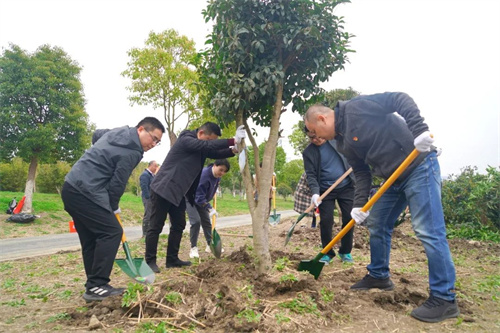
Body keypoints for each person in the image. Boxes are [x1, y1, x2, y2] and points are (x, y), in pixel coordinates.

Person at [304, 92, 458, 323]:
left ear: (322, 119)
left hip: (418, 166)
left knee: (428, 231)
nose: (315, 137)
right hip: (390, 179)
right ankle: (378, 275)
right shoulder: (342, 143)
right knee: (377, 223)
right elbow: (361, 172)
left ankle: (444, 298)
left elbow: (399, 99)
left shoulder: (356, 108)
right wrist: (358, 205)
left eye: (314, 132)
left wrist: (419, 130)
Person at [61, 117, 165, 302]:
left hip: (70, 187)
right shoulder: (133, 151)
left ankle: (93, 286)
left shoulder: (119, 132)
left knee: (91, 238)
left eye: (158, 142)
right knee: (112, 232)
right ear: (141, 129)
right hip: (86, 191)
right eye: (154, 138)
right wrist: (112, 207)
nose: (154, 144)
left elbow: (96, 135)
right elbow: (118, 184)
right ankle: (97, 285)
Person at [145, 123, 245, 273]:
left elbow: (215, 153)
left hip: (179, 192)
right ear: (201, 133)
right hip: (163, 188)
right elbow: (208, 146)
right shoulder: (186, 139)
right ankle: (150, 262)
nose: (210, 144)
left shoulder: (201, 148)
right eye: (209, 140)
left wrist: (234, 150)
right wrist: (232, 140)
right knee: (155, 226)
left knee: (179, 225)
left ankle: (172, 259)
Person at [302, 127, 355, 264]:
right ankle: (327, 252)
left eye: (317, 136)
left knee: (349, 218)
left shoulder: (336, 141)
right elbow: (311, 175)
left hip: (346, 186)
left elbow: (351, 151)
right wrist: (315, 192)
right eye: (311, 138)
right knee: (326, 220)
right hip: (325, 190)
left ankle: (345, 252)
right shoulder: (309, 152)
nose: (315, 140)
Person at [187, 159, 230, 258]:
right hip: (190, 199)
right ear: (214, 165)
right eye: (221, 170)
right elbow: (198, 196)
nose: (222, 173)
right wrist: (209, 208)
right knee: (196, 222)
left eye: (224, 171)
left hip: (202, 201)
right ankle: (193, 248)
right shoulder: (204, 176)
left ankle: (210, 245)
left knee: (206, 222)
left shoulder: (217, 176)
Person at [139, 160, 159, 237]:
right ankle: (145, 233)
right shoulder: (145, 175)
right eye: (155, 166)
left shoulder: (152, 175)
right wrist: (148, 198)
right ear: (150, 166)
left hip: (153, 198)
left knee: (152, 215)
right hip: (148, 198)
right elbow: (144, 187)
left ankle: (150, 232)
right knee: (148, 214)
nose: (156, 168)